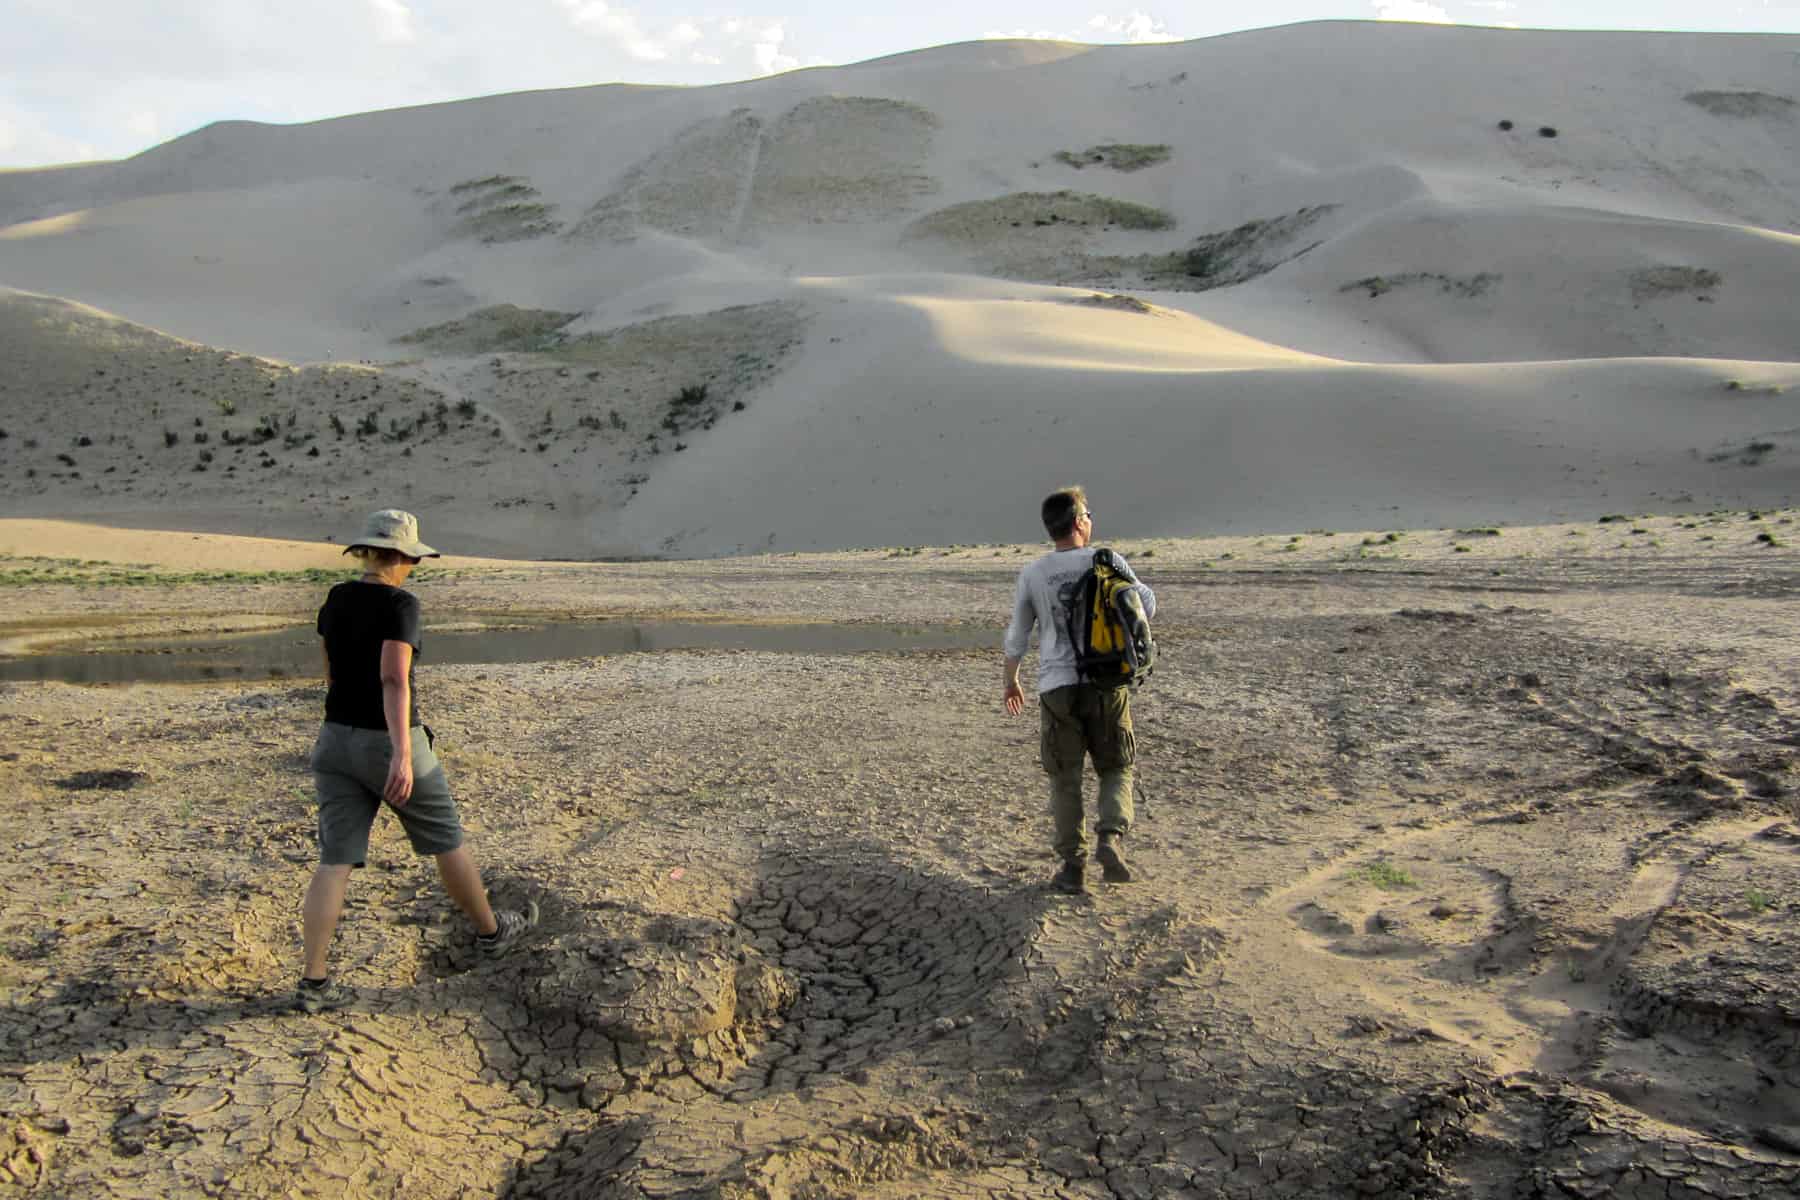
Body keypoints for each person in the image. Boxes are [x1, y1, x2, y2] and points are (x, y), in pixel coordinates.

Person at [296, 509, 537, 1013]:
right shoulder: (400, 604)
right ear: (404, 556)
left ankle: (314, 983)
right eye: (412, 559)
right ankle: (493, 933)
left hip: (334, 739)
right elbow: (393, 678)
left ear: (365, 551)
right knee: (446, 839)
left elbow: (330, 665)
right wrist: (402, 753)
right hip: (387, 739)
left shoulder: (337, 598)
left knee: (334, 860)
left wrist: (343, 717)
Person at [1002, 487, 1156, 895]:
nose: (1090, 518)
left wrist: (1011, 679)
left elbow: (1018, 634)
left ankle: (1073, 868)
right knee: (1116, 766)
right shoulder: (1107, 560)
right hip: (1107, 682)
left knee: (1065, 778)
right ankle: (1110, 837)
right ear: (1078, 521)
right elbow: (1146, 606)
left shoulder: (1034, 573)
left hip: (1057, 688)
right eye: (1087, 513)